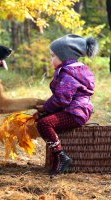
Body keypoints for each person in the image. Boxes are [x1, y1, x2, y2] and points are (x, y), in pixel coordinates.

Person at [35, 34, 98, 176]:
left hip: (76, 112)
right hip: (75, 110)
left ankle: (61, 156)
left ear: (64, 56)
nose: (51, 60)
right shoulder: (76, 70)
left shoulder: (69, 72)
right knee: (42, 120)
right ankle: (58, 155)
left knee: (44, 124)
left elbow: (61, 98)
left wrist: (45, 107)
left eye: (53, 56)